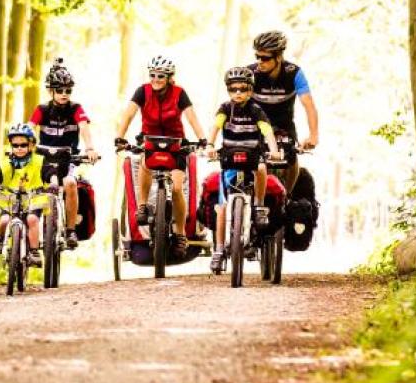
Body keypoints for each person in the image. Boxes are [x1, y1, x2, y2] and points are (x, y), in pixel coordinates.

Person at [113, 55, 209, 258]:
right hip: (150, 139)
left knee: (176, 187)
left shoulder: (179, 93)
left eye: (161, 76)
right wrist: (120, 137)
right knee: (144, 162)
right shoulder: (143, 91)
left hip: (176, 143)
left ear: (169, 78)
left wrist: (201, 139)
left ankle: (180, 234)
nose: (155, 79)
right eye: (153, 75)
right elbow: (128, 114)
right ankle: (141, 206)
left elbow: (192, 117)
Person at [206, 66, 283, 274]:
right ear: (228, 91)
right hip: (229, 158)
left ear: (250, 90)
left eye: (242, 89)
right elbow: (215, 127)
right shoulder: (224, 109)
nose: (237, 93)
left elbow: (266, 130)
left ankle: (258, 206)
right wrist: (210, 146)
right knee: (221, 207)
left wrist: (274, 150)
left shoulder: (256, 109)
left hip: (252, 156)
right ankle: (219, 249)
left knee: (261, 167)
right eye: (233, 89)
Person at [28, 59, 99, 250]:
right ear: (50, 91)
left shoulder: (76, 109)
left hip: (69, 159)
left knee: (70, 183)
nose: (64, 94)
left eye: (68, 90)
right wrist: (24, 146)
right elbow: (29, 129)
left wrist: (90, 148)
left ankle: (70, 230)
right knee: (31, 187)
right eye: (60, 90)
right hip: (44, 159)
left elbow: (84, 127)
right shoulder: (42, 109)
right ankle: (29, 234)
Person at [249, 30, 320, 195]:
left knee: (292, 156)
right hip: (256, 124)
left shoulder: (294, 73)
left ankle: (285, 197)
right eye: (257, 57)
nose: (260, 62)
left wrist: (313, 135)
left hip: (284, 124)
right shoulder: (250, 73)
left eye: (265, 58)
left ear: (279, 57)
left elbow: (308, 105)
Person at [0, 124, 48, 267]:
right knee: (5, 220)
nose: (19, 148)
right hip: (10, 200)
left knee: (32, 219)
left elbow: (51, 174)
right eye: (15, 145)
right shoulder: (6, 163)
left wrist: (54, 183)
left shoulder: (39, 161)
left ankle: (35, 252)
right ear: (11, 145)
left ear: (31, 145)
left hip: (33, 199)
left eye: (23, 145)